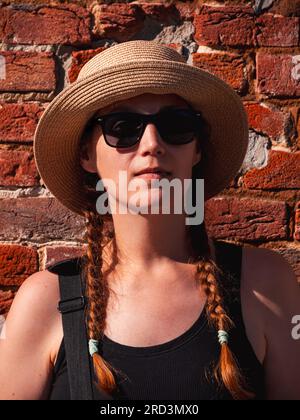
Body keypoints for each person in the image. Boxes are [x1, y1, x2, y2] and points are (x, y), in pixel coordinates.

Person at [0, 40, 299, 400]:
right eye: (123, 126)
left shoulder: (265, 285)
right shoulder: (45, 300)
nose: (152, 143)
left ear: (197, 150)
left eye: (176, 124)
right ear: (86, 155)